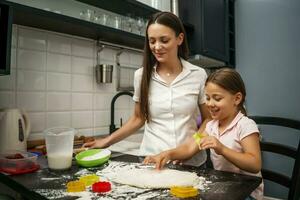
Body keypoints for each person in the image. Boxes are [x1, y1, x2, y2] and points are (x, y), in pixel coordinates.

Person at [83, 11, 210, 166]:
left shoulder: (198, 75)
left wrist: (192, 147)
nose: (157, 47)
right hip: (152, 160)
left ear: (179, 39)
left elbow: (208, 119)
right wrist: (106, 142)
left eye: (164, 40)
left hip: (192, 162)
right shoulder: (141, 76)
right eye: (152, 41)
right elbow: (138, 118)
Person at [144, 68, 263, 200]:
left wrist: (222, 149)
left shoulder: (245, 125)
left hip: (247, 192)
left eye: (217, 98)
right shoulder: (210, 126)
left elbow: (254, 164)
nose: (210, 104)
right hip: (226, 187)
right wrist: (166, 154)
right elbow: (190, 147)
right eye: (207, 98)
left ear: (237, 99)